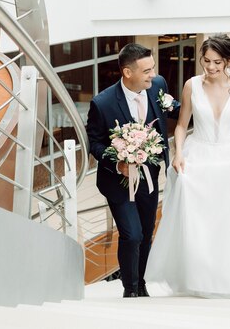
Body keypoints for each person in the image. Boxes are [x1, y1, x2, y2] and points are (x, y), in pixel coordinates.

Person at [145, 35, 230, 298]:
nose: (211, 67)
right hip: (198, 155)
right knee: (198, 224)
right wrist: (178, 153)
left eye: (218, 62)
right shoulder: (192, 85)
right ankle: (196, 281)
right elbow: (182, 125)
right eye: (206, 60)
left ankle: (228, 281)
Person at [86, 43, 179, 298]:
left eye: (153, 69)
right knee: (132, 234)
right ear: (128, 72)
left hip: (149, 177)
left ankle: (142, 283)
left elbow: (175, 109)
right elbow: (94, 142)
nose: (153, 74)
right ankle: (130, 288)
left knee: (146, 234)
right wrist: (118, 163)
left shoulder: (157, 86)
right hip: (118, 182)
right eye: (147, 70)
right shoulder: (102, 103)